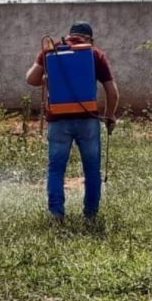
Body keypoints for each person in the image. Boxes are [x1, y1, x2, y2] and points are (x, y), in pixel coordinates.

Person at [25, 22, 119, 223]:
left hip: (58, 121)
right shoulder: (95, 54)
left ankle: (57, 214)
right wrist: (109, 116)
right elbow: (112, 92)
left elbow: (31, 79)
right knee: (92, 169)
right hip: (88, 121)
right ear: (90, 39)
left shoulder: (51, 51)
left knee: (56, 169)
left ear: (69, 36)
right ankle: (90, 216)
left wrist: (48, 78)